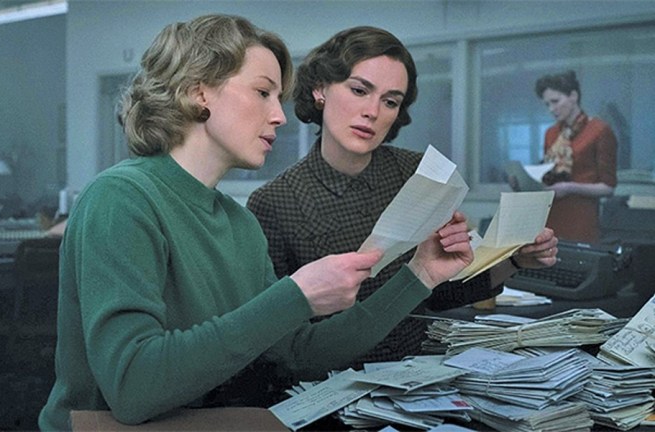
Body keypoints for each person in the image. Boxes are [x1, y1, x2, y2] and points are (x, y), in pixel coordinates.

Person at [39, 15, 476, 430]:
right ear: (199, 92)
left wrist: (419, 274)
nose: (281, 116)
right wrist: (295, 295)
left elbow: (298, 354)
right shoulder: (121, 198)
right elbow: (133, 387)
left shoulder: (239, 223)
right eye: (263, 92)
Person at [247, 26, 558, 367]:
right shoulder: (274, 202)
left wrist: (513, 261)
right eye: (359, 90)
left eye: (390, 101)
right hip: (329, 378)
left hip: (418, 372)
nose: (373, 111)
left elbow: (439, 292)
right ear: (320, 90)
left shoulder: (418, 173)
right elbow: (278, 341)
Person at [534, 70, 617, 243]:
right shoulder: (551, 133)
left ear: (573, 96)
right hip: (550, 217)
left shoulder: (599, 130)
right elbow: (547, 174)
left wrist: (570, 187)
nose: (551, 109)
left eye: (555, 101)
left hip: (580, 219)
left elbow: (608, 188)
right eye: (547, 104)